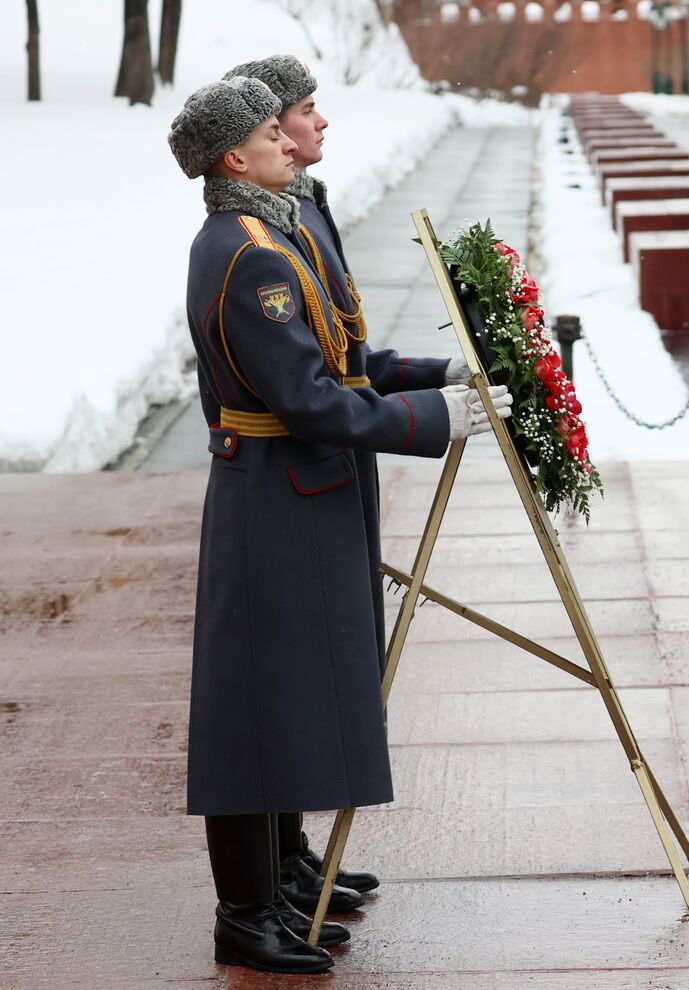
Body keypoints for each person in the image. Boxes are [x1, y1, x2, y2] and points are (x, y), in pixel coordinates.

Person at [169, 76, 510, 973]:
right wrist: (434, 421)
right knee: (253, 709)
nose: (290, 134)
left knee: (281, 698)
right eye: (265, 131)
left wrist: (437, 382)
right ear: (233, 157)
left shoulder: (265, 232)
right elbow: (311, 399)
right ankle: (245, 911)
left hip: (293, 490)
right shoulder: (247, 255)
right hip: (272, 494)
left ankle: (276, 885)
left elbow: (343, 363)